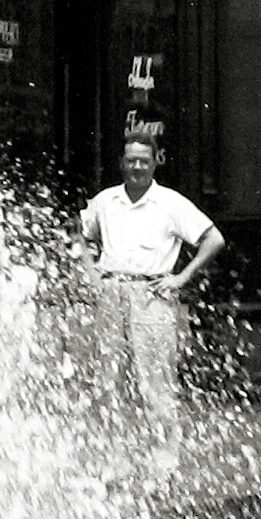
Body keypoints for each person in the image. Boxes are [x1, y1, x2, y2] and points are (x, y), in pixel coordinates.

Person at [79, 135, 223, 471]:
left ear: (155, 162)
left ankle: (165, 456)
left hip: (152, 296)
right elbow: (81, 234)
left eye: (144, 161)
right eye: (131, 160)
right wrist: (91, 273)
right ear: (121, 163)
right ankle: (115, 456)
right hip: (112, 293)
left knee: (155, 380)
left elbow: (213, 239)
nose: (137, 167)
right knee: (109, 378)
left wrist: (181, 277)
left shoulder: (170, 203)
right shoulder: (106, 201)